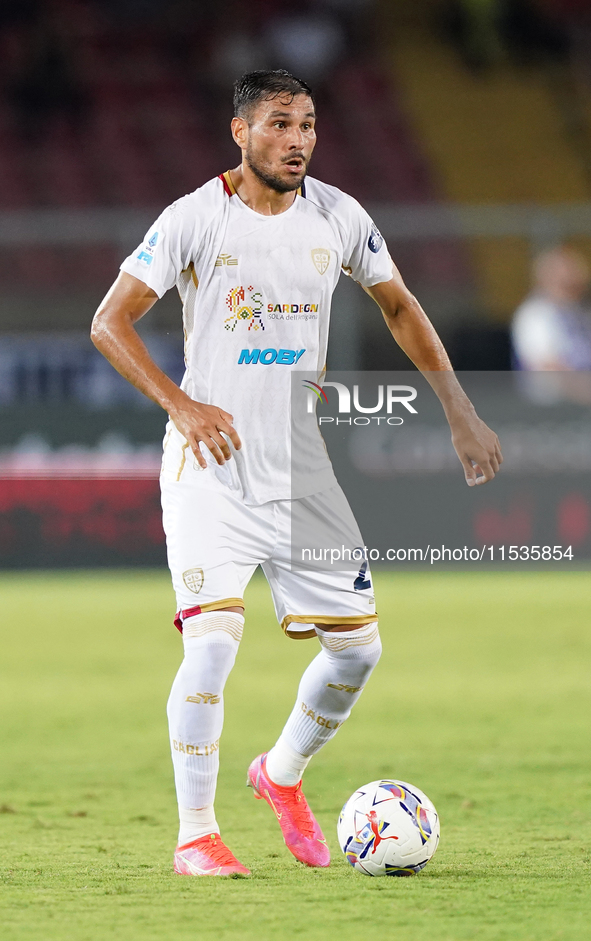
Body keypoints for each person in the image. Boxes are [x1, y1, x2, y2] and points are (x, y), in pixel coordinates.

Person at [91, 69, 502, 877]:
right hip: (211, 464)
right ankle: (196, 835)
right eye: (280, 124)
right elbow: (109, 322)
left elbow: (399, 306)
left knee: (357, 653)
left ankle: (279, 774)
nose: (299, 140)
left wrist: (458, 408)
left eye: (308, 124)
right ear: (239, 132)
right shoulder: (193, 218)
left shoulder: (338, 215)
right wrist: (181, 405)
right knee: (211, 647)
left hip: (299, 466)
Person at [512, 246, 591, 370]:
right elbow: (549, 367)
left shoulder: (581, 310)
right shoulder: (534, 314)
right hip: (555, 388)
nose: (572, 280)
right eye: (563, 279)